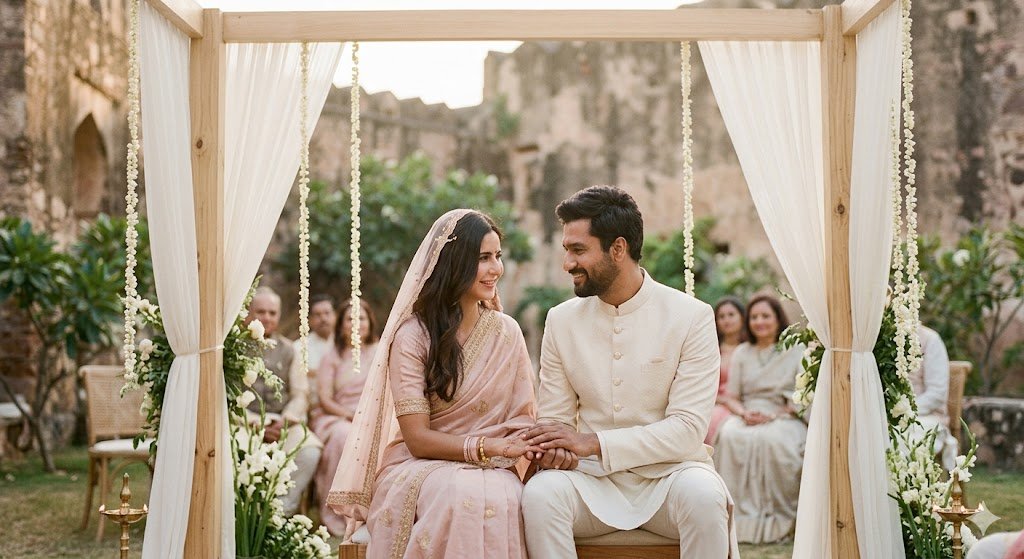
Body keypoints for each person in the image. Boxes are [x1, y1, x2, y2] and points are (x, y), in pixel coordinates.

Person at [520, 185, 738, 558]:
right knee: (541, 495)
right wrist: (555, 451)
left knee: (705, 497)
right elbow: (557, 422)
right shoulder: (560, 321)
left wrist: (592, 443)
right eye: (567, 250)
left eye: (578, 250)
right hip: (589, 482)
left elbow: (687, 431)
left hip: (670, 478)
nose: (567, 263)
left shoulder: (692, 317)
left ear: (617, 249)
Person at [327, 209, 539, 559]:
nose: (495, 269)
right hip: (421, 465)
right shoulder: (413, 336)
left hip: (497, 467)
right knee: (457, 494)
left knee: (504, 497)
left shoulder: (507, 332)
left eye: (498, 257)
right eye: (484, 258)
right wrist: (489, 448)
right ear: (454, 263)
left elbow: (521, 420)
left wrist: (510, 449)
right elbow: (418, 439)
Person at [714, 293, 806, 544]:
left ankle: (782, 521)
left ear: (778, 318)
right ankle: (736, 521)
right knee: (729, 434)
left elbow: (802, 395)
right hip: (748, 413)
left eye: (766, 316)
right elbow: (732, 396)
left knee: (774, 441)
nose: (759, 321)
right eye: (754, 317)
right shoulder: (743, 352)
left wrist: (776, 414)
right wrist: (744, 413)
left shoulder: (796, 348)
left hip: (783, 414)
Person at [243, 286, 322, 516]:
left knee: (310, 452)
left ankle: (278, 513)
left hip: (283, 423)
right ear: (248, 313)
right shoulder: (233, 348)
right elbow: (226, 398)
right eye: (260, 312)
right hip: (245, 424)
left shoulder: (290, 349)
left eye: (272, 313)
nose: (266, 318)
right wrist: (254, 424)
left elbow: (300, 394)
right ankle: (245, 514)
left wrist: (286, 421)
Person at [311, 297, 380, 536]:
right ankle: (340, 512)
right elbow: (325, 399)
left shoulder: (381, 352)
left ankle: (373, 513)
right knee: (344, 437)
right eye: (350, 318)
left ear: (370, 321)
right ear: (341, 325)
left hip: (373, 415)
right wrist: (351, 415)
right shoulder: (333, 356)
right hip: (337, 416)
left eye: (361, 317)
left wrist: (367, 416)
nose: (356, 323)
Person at [911, 325, 957, 470]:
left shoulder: (930, 339)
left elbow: (936, 394)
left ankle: (911, 491)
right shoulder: (876, 336)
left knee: (906, 441)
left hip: (925, 416)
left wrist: (904, 413)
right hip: (884, 417)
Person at [706, 297, 746, 444]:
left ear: (742, 317)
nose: (726, 320)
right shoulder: (710, 349)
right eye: (721, 316)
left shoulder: (750, 349)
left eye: (731, 315)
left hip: (744, 403)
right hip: (715, 402)